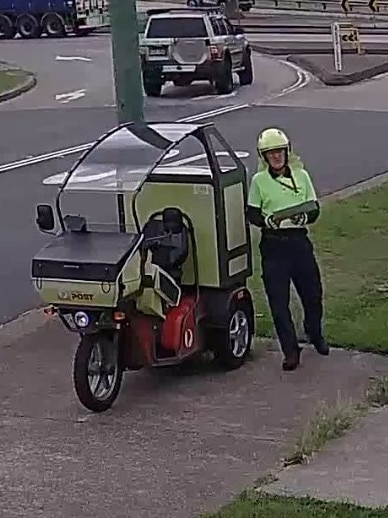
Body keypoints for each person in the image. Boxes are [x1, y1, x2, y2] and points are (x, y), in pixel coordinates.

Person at [246, 127, 329, 371]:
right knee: (278, 301)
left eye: (280, 152)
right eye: (271, 154)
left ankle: (314, 332)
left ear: (287, 152)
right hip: (274, 245)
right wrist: (266, 220)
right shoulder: (259, 181)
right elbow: (252, 212)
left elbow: (314, 207)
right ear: (264, 157)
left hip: (299, 242)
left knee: (312, 293)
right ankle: (290, 351)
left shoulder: (301, 176)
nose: (277, 157)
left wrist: (306, 217)